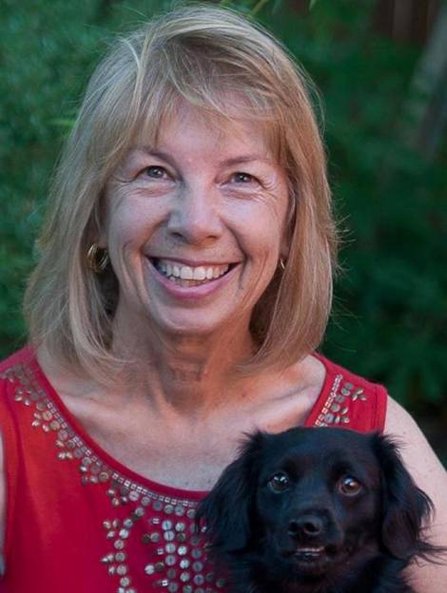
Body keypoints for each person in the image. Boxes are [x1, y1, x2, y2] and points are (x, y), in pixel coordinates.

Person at [0, 4, 445, 593]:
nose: (196, 223)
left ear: (290, 224)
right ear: (95, 212)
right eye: (155, 172)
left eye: (241, 179)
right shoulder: (12, 435)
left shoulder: (373, 432)